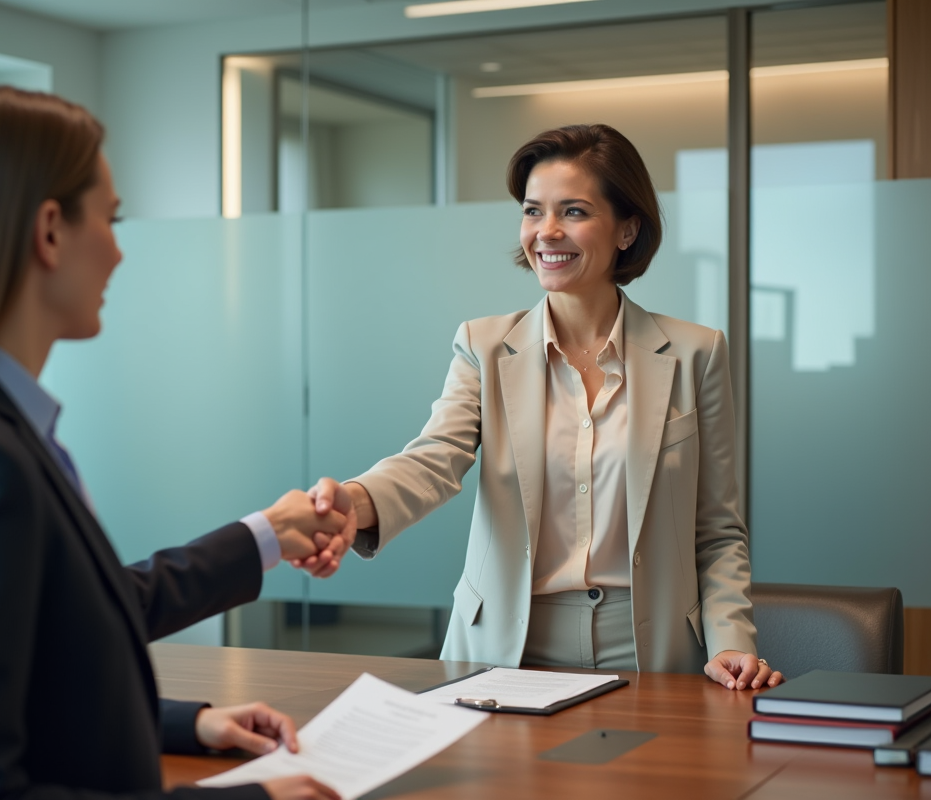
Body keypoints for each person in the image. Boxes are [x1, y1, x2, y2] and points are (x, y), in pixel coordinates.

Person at [0, 83, 346, 800]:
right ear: (49, 231)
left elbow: (74, 621)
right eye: (111, 220)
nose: (118, 253)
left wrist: (184, 721)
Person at [303, 124, 784, 691]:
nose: (546, 232)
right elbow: (433, 458)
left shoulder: (695, 353)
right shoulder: (483, 346)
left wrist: (732, 639)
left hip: (651, 651)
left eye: (574, 211)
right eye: (533, 211)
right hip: (507, 647)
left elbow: (718, 530)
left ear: (627, 229)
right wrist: (355, 502)